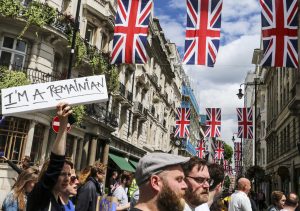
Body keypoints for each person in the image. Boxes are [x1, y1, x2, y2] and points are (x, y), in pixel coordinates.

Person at [26, 102, 73, 211]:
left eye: (69, 175)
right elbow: (56, 163)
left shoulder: (59, 203)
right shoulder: (41, 195)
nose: (67, 179)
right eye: (62, 174)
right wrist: (63, 126)